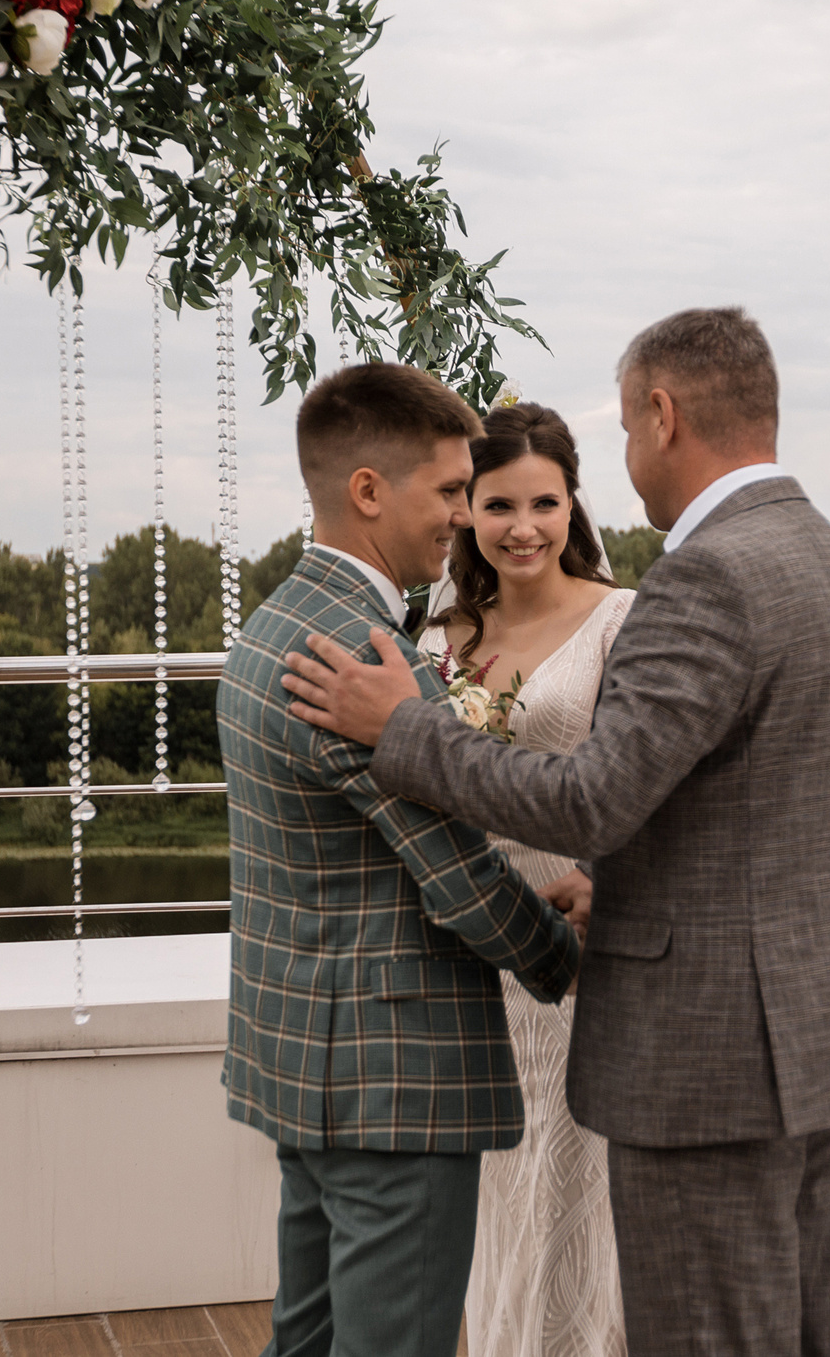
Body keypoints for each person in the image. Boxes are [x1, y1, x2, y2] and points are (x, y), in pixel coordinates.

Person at [282, 308, 830, 1357]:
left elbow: (590, 802)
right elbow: (759, 811)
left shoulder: (706, 576)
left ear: (661, 415)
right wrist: (622, 887)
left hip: (707, 1061)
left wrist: (403, 731)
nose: (626, 455)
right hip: (823, 1037)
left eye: (621, 429)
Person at [217, 361, 585, 1357]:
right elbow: (457, 877)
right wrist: (563, 951)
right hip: (395, 1080)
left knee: (308, 1336)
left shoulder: (273, 624)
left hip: (304, 1055)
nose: (464, 517)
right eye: (451, 490)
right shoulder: (367, 657)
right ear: (369, 491)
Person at [421, 401, 634, 1357]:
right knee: (496, 1206)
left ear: (572, 503)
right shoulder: (441, 633)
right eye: (497, 503)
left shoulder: (620, 619)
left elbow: (641, 782)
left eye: (544, 502)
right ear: (464, 509)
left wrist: (606, 886)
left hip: (579, 956)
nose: (523, 527)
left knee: (576, 1200)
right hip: (468, 962)